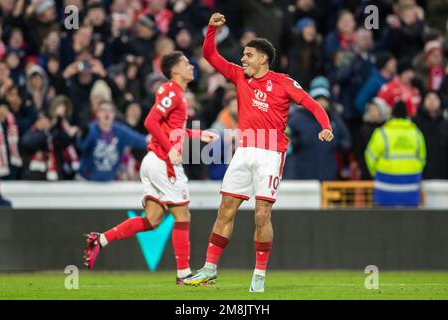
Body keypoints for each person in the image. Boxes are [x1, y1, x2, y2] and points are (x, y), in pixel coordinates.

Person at [184, 13, 333, 292]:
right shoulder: (239, 76)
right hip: (244, 151)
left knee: (261, 215)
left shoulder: (284, 82)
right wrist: (211, 29)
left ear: (263, 58)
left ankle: (259, 275)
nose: (243, 59)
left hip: (270, 154)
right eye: (243, 55)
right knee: (225, 209)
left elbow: (314, 105)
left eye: (248, 55)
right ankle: (209, 269)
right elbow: (210, 56)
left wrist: (325, 127)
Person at [83, 51, 219, 284]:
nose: (192, 66)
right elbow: (150, 122)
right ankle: (184, 273)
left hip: (152, 161)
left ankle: (101, 239)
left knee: (154, 219)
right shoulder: (173, 92)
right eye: (186, 63)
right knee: (182, 214)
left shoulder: (175, 92)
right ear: (175, 69)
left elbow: (170, 127)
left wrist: (197, 135)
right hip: (162, 162)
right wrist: (170, 149)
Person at [365, 101, 426, 207]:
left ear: (392, 115)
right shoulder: (416, 133)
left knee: (385, 221)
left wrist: (376, 173)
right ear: (407, 116)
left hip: (385, 186)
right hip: (410, 187)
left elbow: (370, 155)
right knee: (410, 221)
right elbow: (422, 158)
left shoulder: (382, 133)